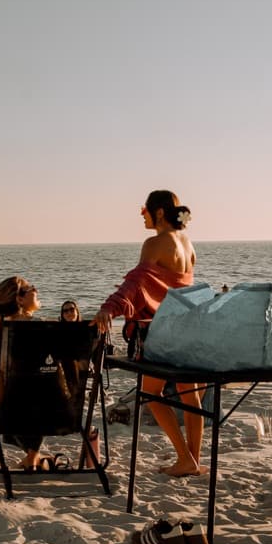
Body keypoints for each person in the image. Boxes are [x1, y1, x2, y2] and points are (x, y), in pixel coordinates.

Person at [96, 189, 204, 476]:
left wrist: (110, 308)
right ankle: (191, 460)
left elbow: (136, 285)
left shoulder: (155, 243)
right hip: (188, 330)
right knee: (190, 397)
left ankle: (186, 459)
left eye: (144, 210)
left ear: (158, 212)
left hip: (164, 332)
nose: (141, 215)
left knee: (151, 394)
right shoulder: (188, 244)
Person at [0, 276, 49, 471]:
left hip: (7, 412)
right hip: (47, 411)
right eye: (31, 287)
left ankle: (32, 457)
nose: (36, 289)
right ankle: (33, 458)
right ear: (20, 299)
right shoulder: (37, 327)